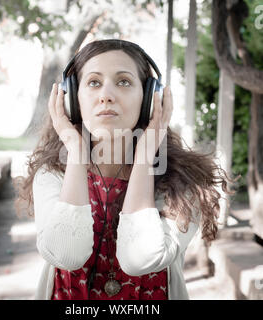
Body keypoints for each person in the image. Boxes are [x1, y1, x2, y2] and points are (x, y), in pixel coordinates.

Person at [13, 39, 236, 300]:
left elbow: (140, 260)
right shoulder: (52, 177)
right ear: (72, 99)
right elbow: (67, 255)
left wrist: (144, 156)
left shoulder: (181, 184)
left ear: (150, 101)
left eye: (123, 82)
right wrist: (75, 150)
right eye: (94, 82)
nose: (106, 95)